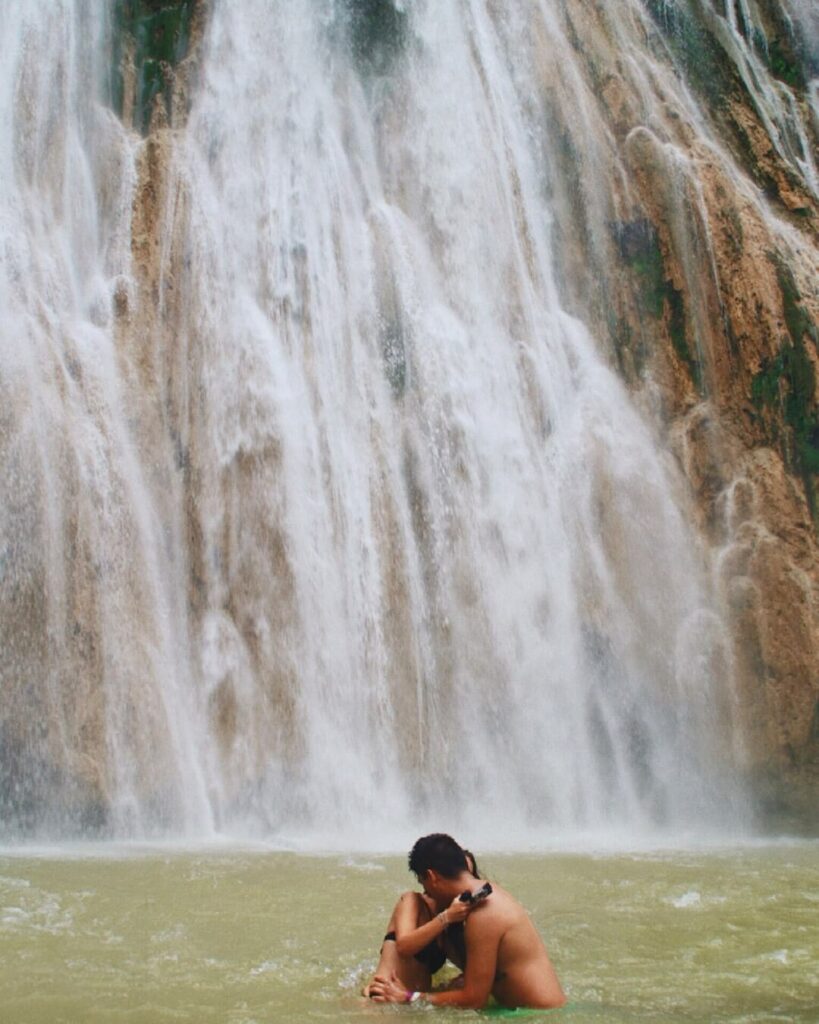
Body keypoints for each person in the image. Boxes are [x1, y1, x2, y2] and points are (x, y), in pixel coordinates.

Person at [368, 833, 566, 1010]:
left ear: (431, 876)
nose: (426, 893)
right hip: (522, 1011)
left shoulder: (484, 914)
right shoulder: (481, 901)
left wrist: (410, 997)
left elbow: (474, 1000)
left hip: (538, 1016)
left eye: (423, 883)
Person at [362, 841, 481, 997]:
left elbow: (473, 970)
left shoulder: (451, 925)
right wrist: (446, 917)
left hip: (409, 1004)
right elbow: (404, 946)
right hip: (381, 1000)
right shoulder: (412, 901)